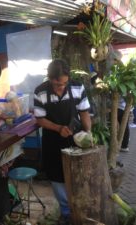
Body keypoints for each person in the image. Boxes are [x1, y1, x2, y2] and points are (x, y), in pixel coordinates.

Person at [33, 59, 91, 222]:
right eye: (58, 84)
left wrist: (88, 133)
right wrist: (58, 128)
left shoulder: (77, 87)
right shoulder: (40, 91)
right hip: (52, 141)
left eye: (65, 83)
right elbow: (40, 120)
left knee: (77, 175)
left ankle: (81, 209)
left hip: (76, 139)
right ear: (50, 78)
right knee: (57, 176)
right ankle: (66, 213)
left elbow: (84, 112)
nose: (62, 87)